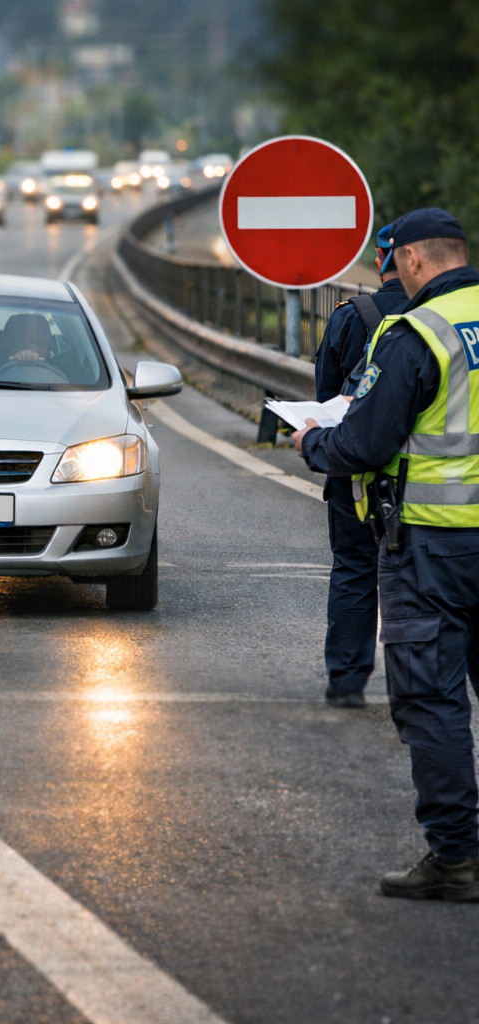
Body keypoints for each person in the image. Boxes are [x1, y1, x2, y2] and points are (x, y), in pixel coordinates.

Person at [293, 207, 479, 902]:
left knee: (431, 702)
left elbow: (364, 443)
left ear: (414, 261)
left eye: (397, 261)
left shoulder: (416, 334)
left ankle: (457, 858)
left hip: (433, 548)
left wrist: (311, 443)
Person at [313, 222, 408, 708]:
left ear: (380, 261)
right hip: (425, 479)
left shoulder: (352, 316)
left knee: (353, 568)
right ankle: (414, 687)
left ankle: (347, 682)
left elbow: (325, 399)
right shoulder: (438, 318)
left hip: (354, 476)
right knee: (417, 581)